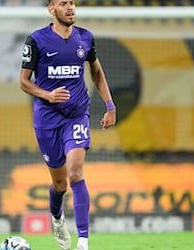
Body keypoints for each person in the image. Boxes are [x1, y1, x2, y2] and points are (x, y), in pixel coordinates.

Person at [19, 0, 116, 249]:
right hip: (47, 119)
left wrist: (110, 105)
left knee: (75, 174)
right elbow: (24, 81)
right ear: (52, 9)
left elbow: (96, 71)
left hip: (76, 115)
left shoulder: (85, 38)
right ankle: (57, 217)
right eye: (64, 3)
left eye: (72, 2)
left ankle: (83, 242)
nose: (70, 7)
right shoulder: (37, 40)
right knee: (60, 184)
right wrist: (47, 95)